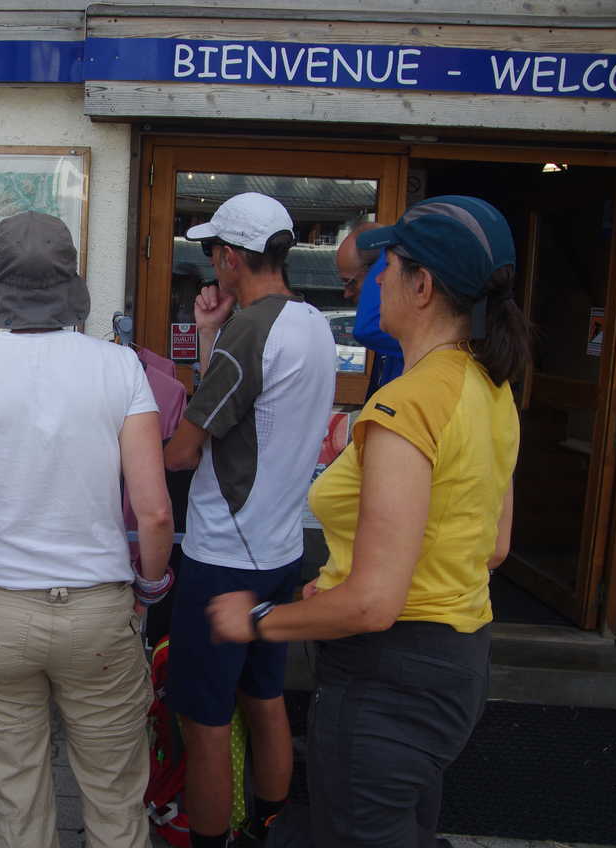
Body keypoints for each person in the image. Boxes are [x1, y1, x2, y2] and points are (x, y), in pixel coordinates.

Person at [208, 196, 527, 848]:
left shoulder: (407, 405)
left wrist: (262, 621)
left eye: (389, 265)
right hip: (456, 663)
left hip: (389, 682)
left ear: (422, 285)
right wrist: (352, 580)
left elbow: (376, 604)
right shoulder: (489, 389)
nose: (376, 279)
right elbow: (493, 547)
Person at [0, 211, 173, 848]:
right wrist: (147, 592)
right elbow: (154, 513)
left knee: (16, 793)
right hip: (97, 613)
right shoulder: (120, 369)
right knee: (116, 797)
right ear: (72, 287)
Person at [163, 192, 336, 847]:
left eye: (213, 252)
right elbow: (248, 414)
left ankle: (208, 840)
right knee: (265, 700)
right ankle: (264, 828)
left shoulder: (251, 330)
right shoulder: (311, 322)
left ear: (232, 257)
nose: (211, 265)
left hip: (222, 558)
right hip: (280, 551)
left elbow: (187, 448)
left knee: (204, 719)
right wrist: (208, 334)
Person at [337, 221, 404, 394]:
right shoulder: (394, 330)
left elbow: (366, 329)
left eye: (350, 283)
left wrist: (386, 251)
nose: (346, 294)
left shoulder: (405, 332)